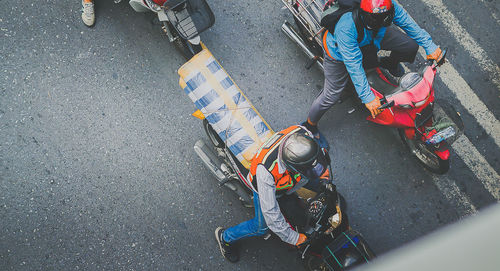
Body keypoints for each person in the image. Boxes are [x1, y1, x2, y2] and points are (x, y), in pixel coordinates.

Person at [304, 0, 444, 135]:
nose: (383, 21)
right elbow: (354, 65)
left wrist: (430, 46)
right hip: (339, 55)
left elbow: (408, 23)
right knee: (331, 95)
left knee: (410, 47)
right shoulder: (346, 27)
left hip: (373, 38)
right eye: (378, 19)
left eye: (385, 18)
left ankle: (389, 63)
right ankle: (310, 125)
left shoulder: (387, 8)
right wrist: (368, 98)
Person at [215, 125, 332, 262]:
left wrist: (321, 169)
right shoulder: (266, 172)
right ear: (290, 167)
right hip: (264, 187)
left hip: (288, 182)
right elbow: (271, 213)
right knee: (261, 227)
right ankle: (225, 237)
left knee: (317, 183)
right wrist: (294, 238)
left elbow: (318, 153)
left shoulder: (303, 135)